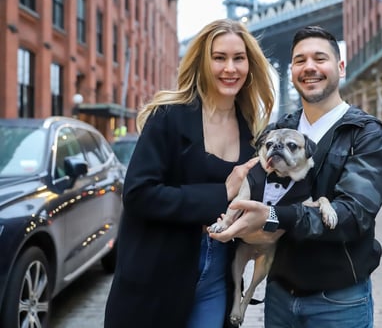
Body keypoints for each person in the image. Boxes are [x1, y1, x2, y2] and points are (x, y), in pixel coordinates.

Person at [210, 25, 382, 327]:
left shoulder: (368, 136)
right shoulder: (277, 132)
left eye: (319, 58)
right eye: (299, 60)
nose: (309, 67)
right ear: (292, 71)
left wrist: (272, 216)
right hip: (279, 295)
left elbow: (352, 216)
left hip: (339, 301)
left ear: (340, 67)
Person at [104, 18, 276, 328]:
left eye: (239, 58)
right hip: (157, 274)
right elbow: (138, 194)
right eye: (219, 57)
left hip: (217, 277)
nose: (230, 68)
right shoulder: (168, 117)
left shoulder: (252, 131)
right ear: (202, 61)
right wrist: (221, 193)